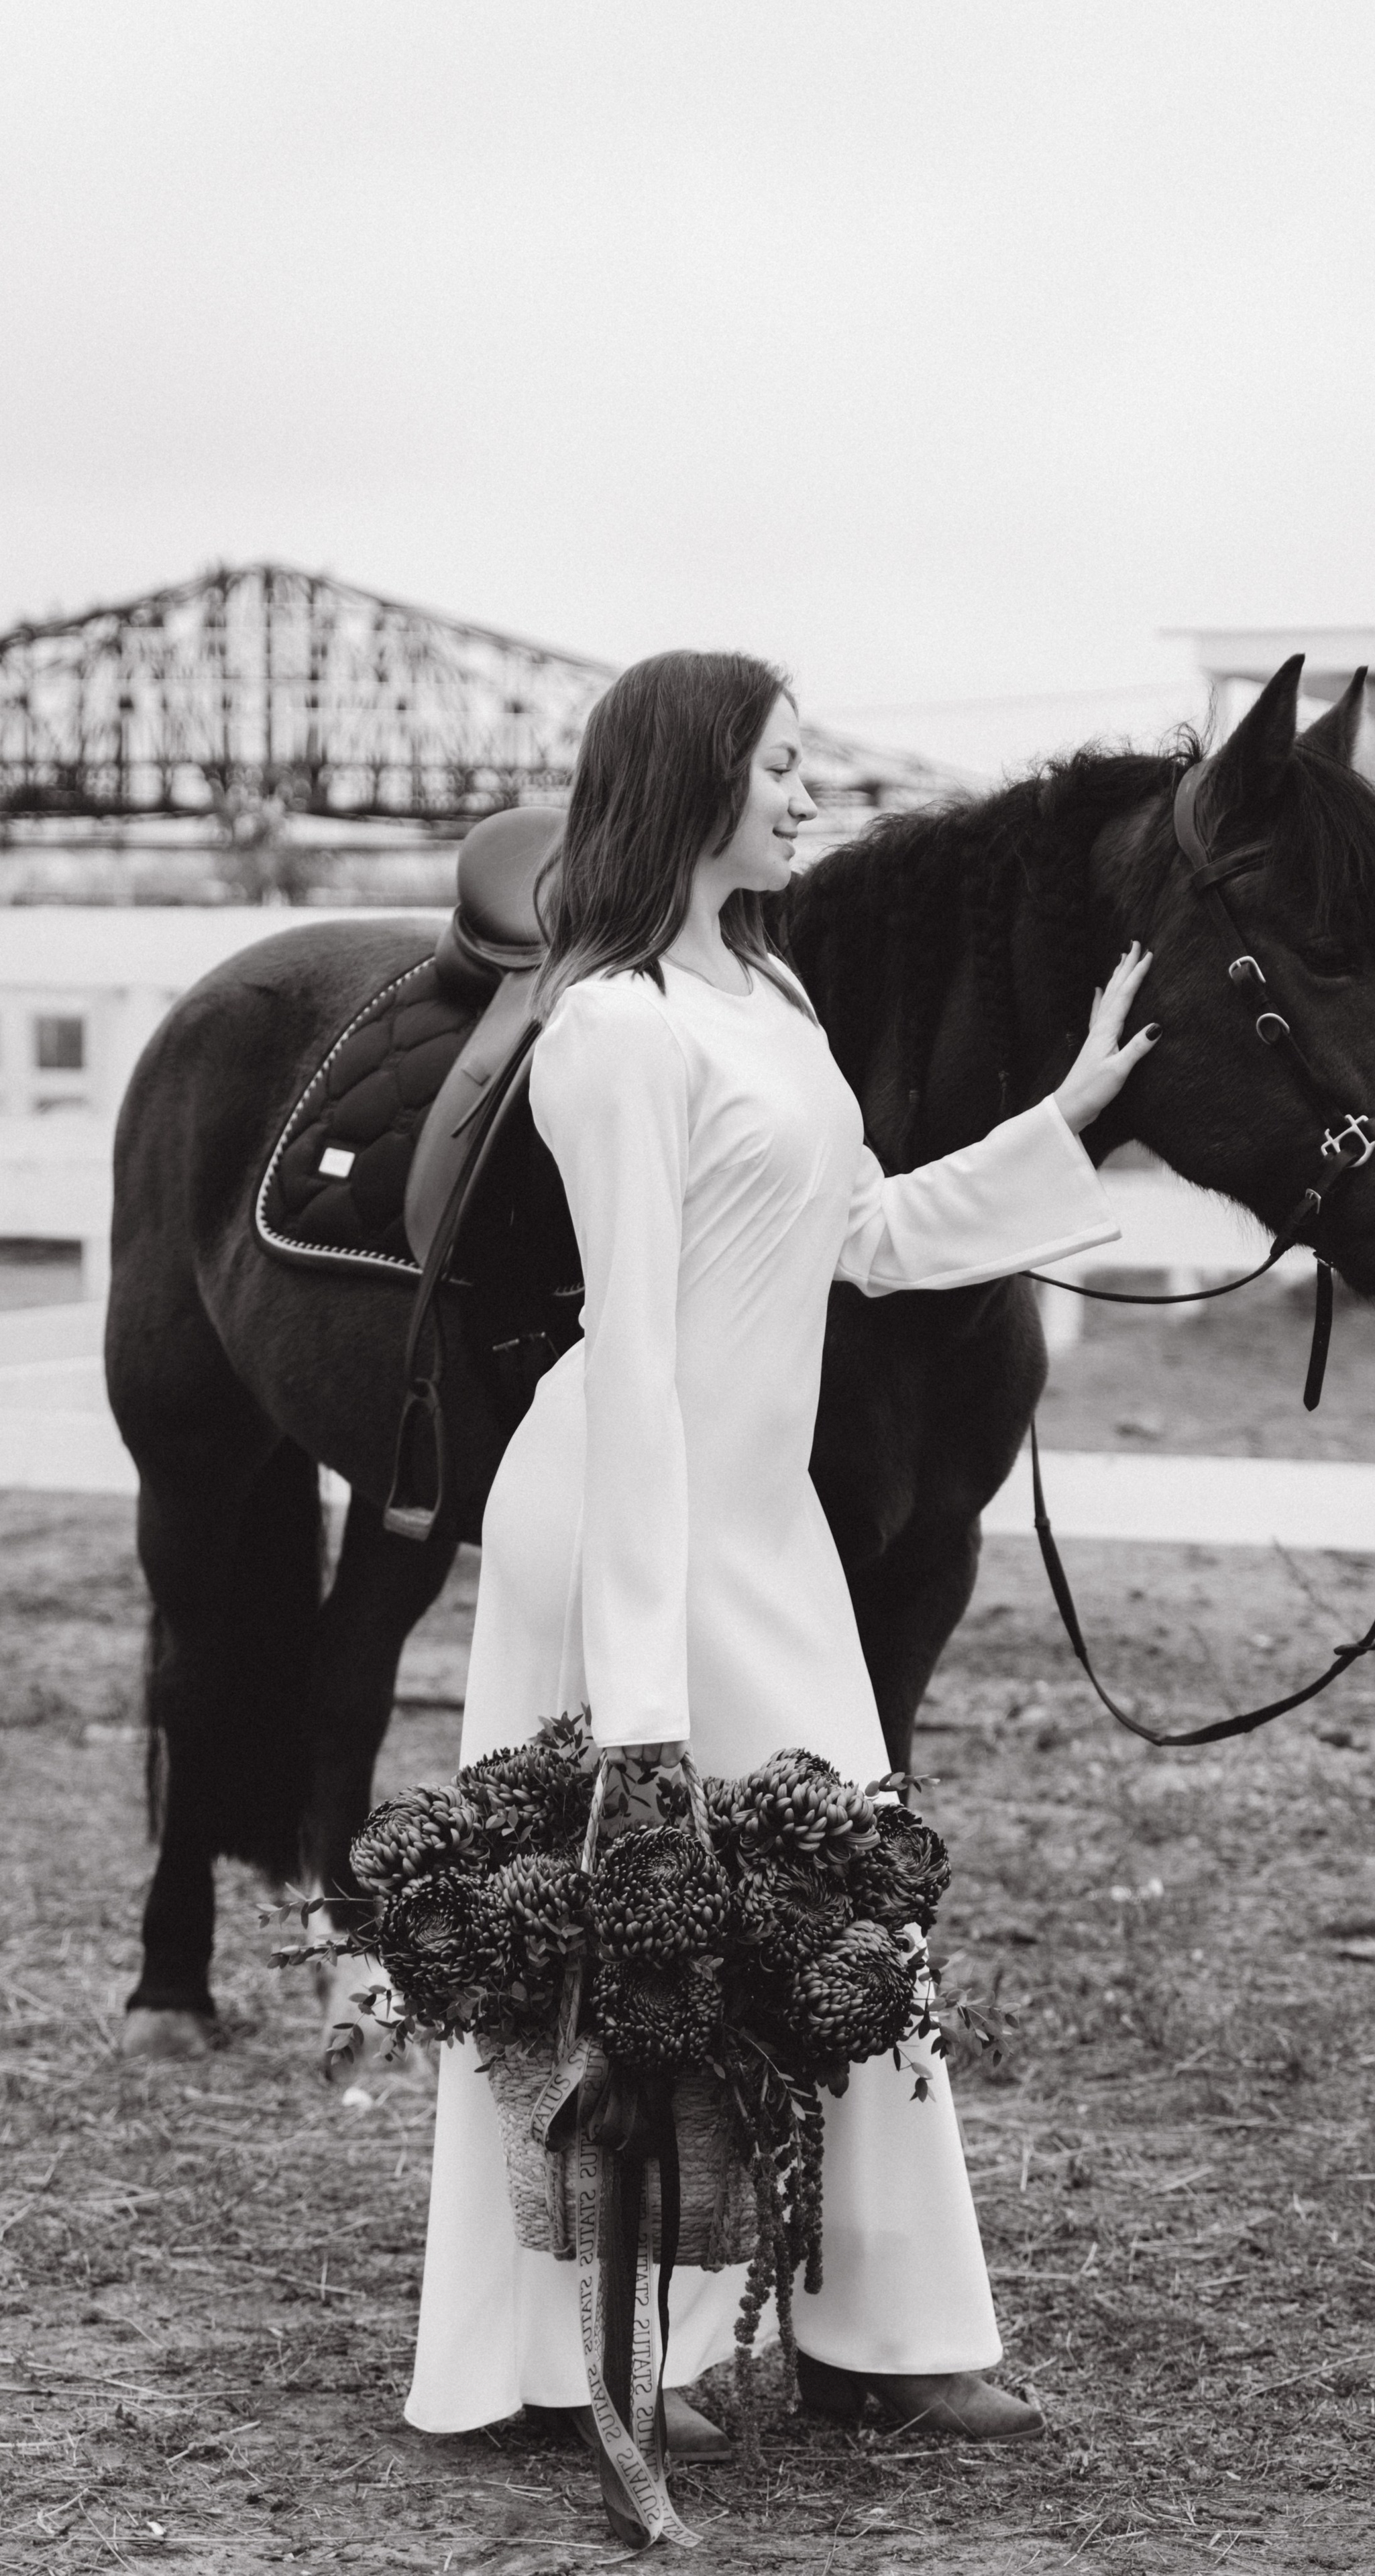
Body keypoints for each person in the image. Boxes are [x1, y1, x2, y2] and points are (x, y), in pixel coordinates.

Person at [405, 649, 1156, 2458]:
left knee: (851, 1913)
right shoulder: (615, 1031)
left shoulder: (775, 997)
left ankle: (891, 2333)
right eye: (782, 766)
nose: (812, 795)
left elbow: (869, 1237)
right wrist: (639, 1706)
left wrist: (1070, 1113)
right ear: (695, 784)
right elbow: (634, 1352)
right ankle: (577, 2352)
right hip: (627, 1519)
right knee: (607, 1939)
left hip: (759, 1523)